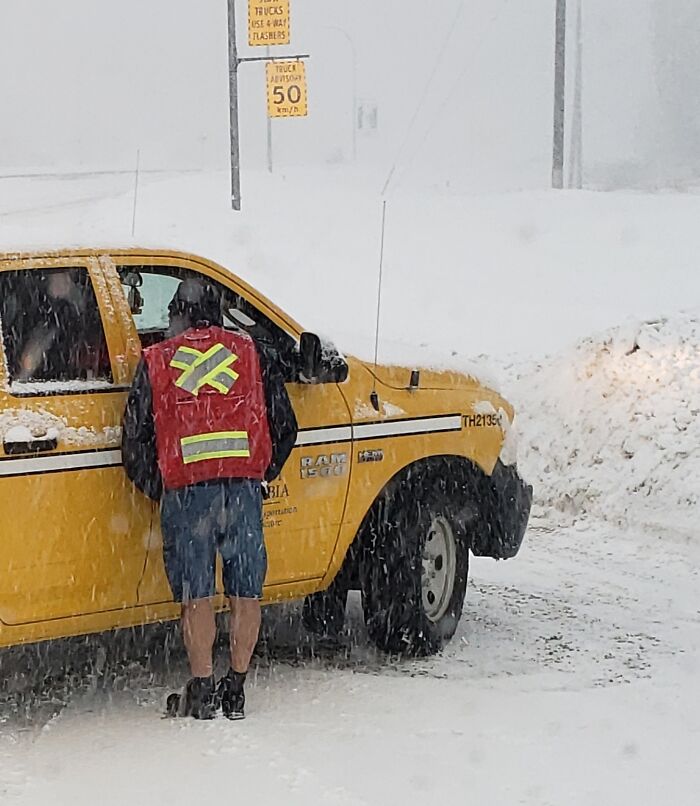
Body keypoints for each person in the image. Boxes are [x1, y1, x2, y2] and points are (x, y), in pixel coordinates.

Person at [122, 278, 297, 719]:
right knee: (245, 592)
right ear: (218, 316)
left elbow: (133, 440)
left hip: (187, 494)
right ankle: (235, 688)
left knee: (195, 594)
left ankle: (201, 688)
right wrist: (258, 471)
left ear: (175, 316)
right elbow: (285, 425)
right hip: (241, 490)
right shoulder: (251, 353)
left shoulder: (158, 360)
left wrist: (162, 486)